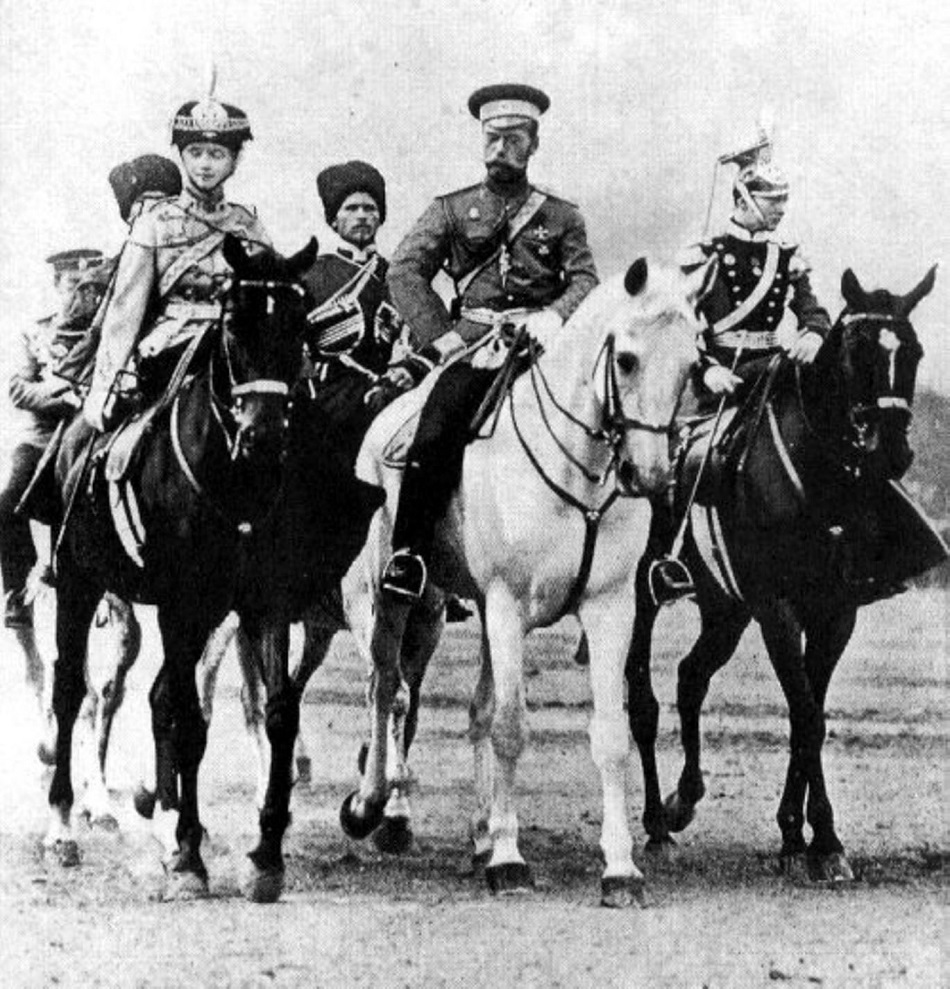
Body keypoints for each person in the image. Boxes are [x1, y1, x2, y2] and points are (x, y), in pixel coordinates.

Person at [381, 83, 599, 600]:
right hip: (475, 346)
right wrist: (441, 336)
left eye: (514, 139)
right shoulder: (451, 209)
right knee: (433, 433)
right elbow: (404, 271)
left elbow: (585, 279)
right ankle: (408, 555)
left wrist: (554, 316)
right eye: (492, 138)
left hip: (543, 346)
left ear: (534, 144)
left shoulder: (562, 215)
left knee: (605, 423)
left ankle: (615, 562)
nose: (501, 148)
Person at [650, 128, 833, 601]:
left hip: (772, 374)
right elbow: (682, 326)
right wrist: (705, 369)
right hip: (719, 381)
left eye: (783, 200)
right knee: (690, 461)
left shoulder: (786, 256)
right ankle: (670, 556)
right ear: (744, 197)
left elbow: (812, 309)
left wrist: (814, 333)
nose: (781, 209)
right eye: (772, 200)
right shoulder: (704, 255)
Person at [83, 87, 270, 430]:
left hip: (236, 352)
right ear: (181, 156)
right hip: (169, 351)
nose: (205, 164)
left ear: (235, 159)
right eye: (195, 152)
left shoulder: (248, 225)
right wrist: (104, 389)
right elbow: (125, 310)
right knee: (126, 443)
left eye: (217, 154)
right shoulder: (153, 223)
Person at [1, 249, 104, 626]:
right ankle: (16, 593)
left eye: (91, 288)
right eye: (74, 285)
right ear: (58, 286)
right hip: (44, 438)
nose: (83, 295)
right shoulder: (37, 333)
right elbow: (19, 389)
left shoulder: (110, 331)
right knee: (7, 505)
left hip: (94, 435)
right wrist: (60, 397)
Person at [299, 160, 413, 464]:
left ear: (380, 217)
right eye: (351, 208)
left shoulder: (398, 276)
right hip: (325, 403)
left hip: (388, 397)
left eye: (370, 208)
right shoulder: (311, 275)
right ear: (334, 221)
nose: (362, 215)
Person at [56, 154, 184, 389]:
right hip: (115, 383)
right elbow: (69, 344)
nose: (157, 215)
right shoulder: (97, 282)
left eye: (167, 205)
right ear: (131, 217)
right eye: (147, 205)